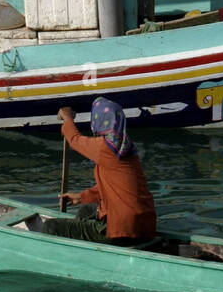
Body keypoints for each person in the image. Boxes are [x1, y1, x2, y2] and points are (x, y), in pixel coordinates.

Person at [43, 100, 157, 245]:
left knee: (51, 227)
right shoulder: (126, 145)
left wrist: (68, 118)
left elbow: (75, 140)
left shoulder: (105, 147)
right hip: (145, 225)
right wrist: (81, 196)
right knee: (87, 209)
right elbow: (115, 186)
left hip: (121, 229)